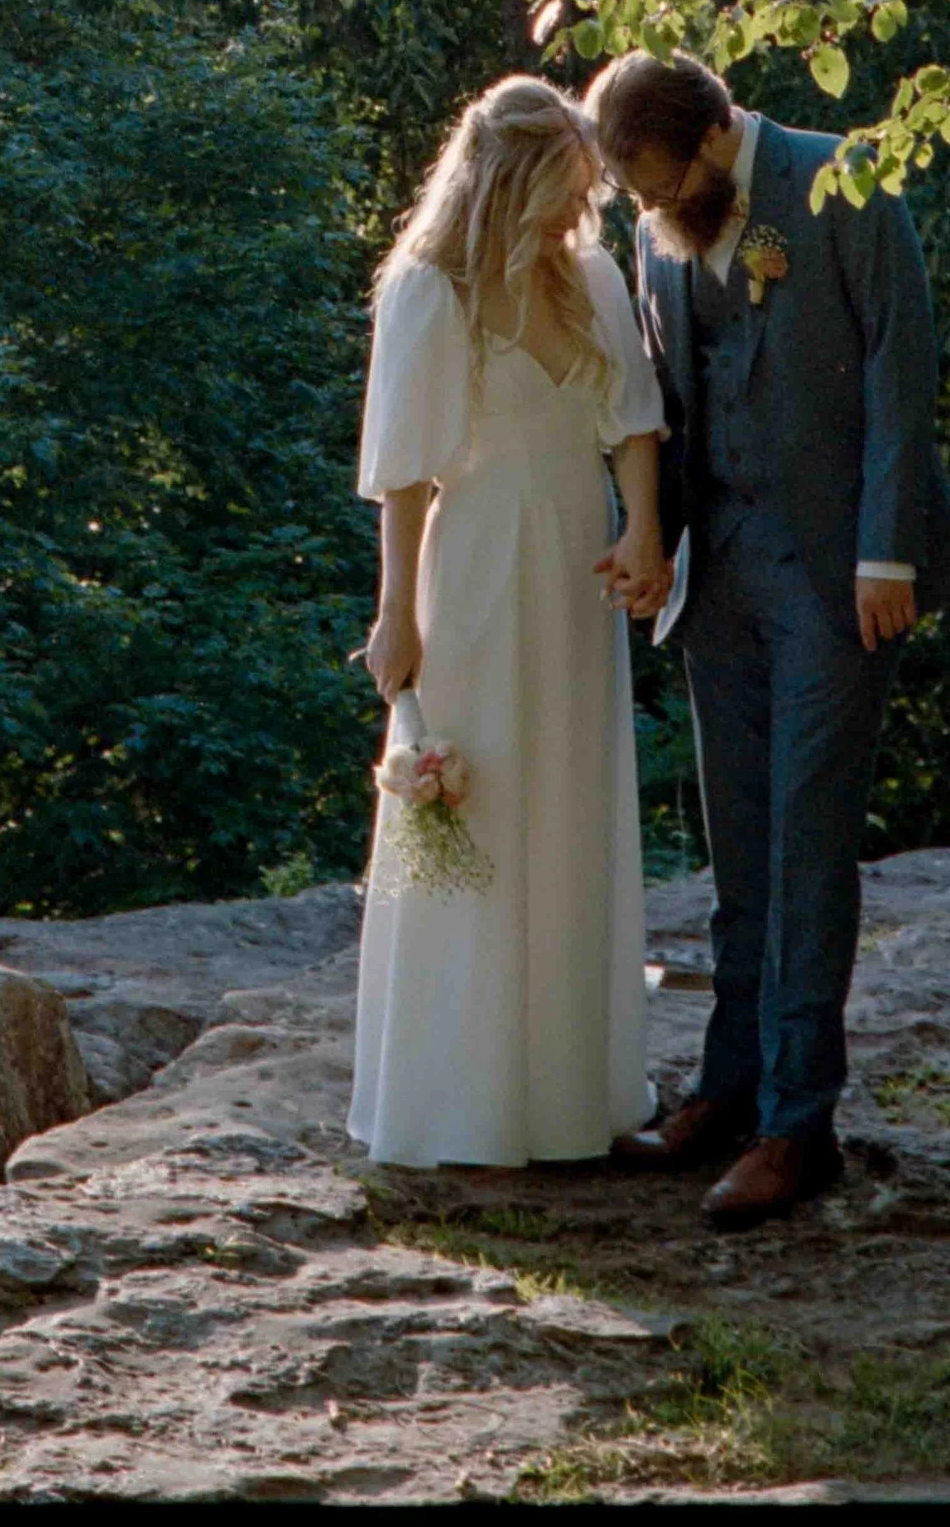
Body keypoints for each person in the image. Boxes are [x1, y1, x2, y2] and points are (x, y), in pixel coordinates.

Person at [585, 49, 950, 1231]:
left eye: (655, 183)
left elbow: (898, 375)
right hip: (723, 580)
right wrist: (645, 541)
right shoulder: (665, 228)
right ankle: (729, 1084)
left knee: (807, 839)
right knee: (736, 842)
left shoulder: (848, 184)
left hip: (839, 577)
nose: (648, 211)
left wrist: (886, 556)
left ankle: (797, 1125)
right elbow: (664, 390)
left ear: (712, 134)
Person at [348, 76, 669, 1169]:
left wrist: (642, 531)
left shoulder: (586, 276)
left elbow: (632, 418)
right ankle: (464, 1098)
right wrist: (397, 620)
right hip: (477, 568)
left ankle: (568, 1092)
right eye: (562, 188)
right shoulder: (427, 290)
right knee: (475, 820)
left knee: (566, 801)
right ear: (506, 178)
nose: (577, 213)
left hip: (577, 569)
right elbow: (401, 477)